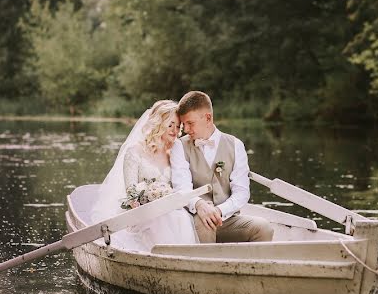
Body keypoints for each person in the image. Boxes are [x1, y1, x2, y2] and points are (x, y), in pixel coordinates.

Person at [91, 100, 198, 251]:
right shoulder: (134, 152)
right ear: (159, 124)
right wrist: (145, 199)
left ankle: (180, 258)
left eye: (178, 126)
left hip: (169, 211)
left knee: (179, 217)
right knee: (161, 220)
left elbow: (180, 185)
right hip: (141, 212)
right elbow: (131, 191)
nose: (175, 130)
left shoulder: (174, 152)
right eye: (170, 125)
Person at [170, 91, 273, 243]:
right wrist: (199, 205)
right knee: (206, 223)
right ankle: (205, 266)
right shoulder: (180, 146)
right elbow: (182, 188)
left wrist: (219, 210)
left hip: (227, 218)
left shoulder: (235, 145)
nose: (185, 129)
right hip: (195, 217)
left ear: (208, 118)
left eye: (190, 123)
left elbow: (242, 192)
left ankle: (251, 267)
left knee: (264, 228)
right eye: (184, 124)